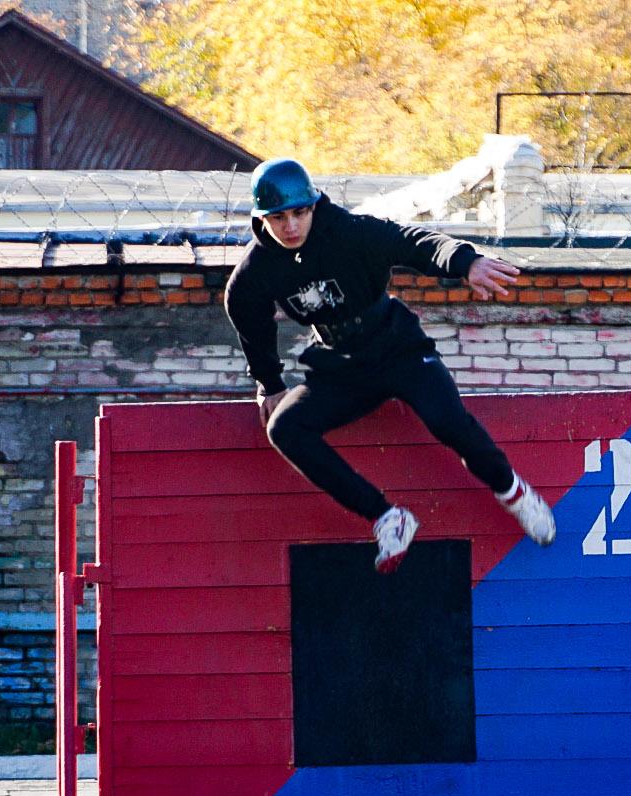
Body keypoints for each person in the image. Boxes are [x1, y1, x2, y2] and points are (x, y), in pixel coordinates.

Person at [224, 158, 556, 573]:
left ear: (313, 207)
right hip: (340, 365)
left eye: (299, 213)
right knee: (284, 428)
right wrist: (269, 383)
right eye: (278, 218)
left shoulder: (351, 232)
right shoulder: (256, 271)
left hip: (396, 347)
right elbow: (245, 314)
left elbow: (415, 242)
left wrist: (465, 262)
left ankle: (514, 493)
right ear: (262, 219)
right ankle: (387, 518)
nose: (291, 226)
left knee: (446, 418)